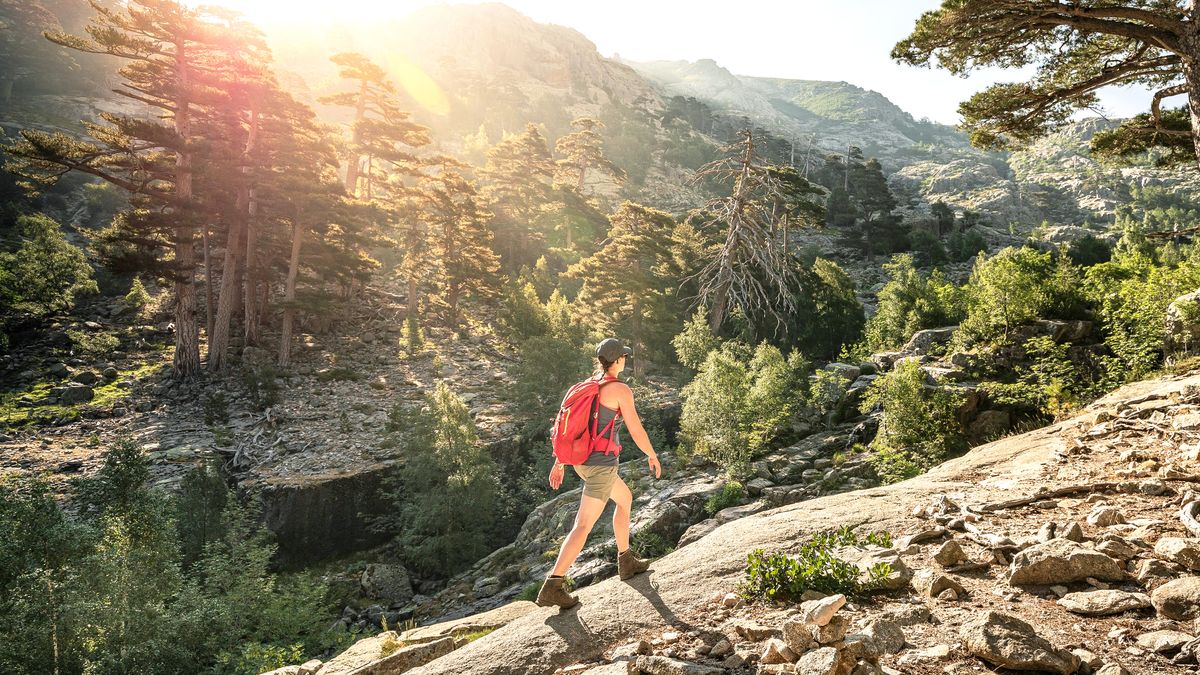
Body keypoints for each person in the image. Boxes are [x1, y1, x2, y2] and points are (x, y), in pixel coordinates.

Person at [535, 338, 664, 609]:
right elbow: (636, 429)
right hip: (601, 467)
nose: (625, 361)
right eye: (624, 357)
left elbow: (567, 429)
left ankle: (625, 560)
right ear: (616, 360)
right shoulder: (620, 389)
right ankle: (553, 585)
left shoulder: (587, 386)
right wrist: (651, 454)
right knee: (582, 526)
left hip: (582, 462)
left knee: (625, 499)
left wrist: (560, 462)